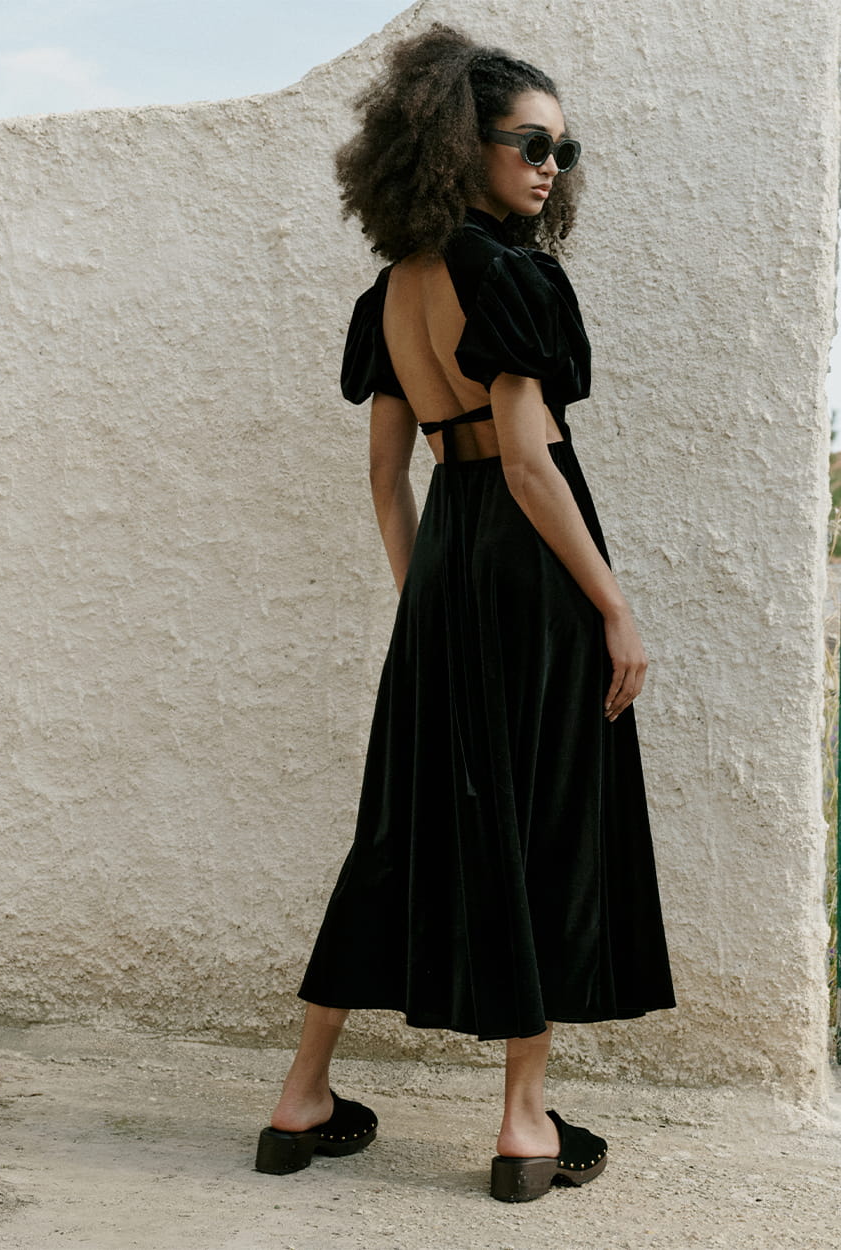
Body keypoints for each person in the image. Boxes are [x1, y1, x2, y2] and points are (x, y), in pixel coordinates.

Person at [254, 23, 676, 1202]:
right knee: (537, 820)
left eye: (563, 149)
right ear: (456, 142)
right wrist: (614, 607)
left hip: (445, 562)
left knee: (399, 825)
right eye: (528, 143)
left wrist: (426, 605)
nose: (550, 167)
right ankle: (523, 1124)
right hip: (532, 568)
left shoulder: (390, 291)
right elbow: (532, 465)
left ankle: (301, 1094)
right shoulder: (516, 279)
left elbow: (386, 478)